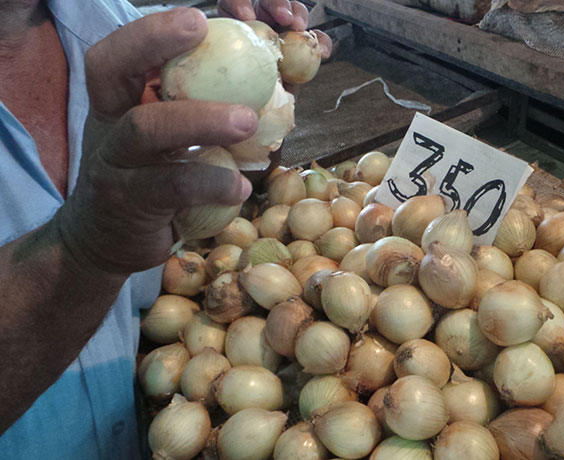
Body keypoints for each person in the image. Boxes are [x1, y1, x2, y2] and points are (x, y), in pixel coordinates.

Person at [0, 0, 331, 458]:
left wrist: (258, 112)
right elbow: (104, 241)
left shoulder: (114, 27)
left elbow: (188, 206)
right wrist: (81, 252)